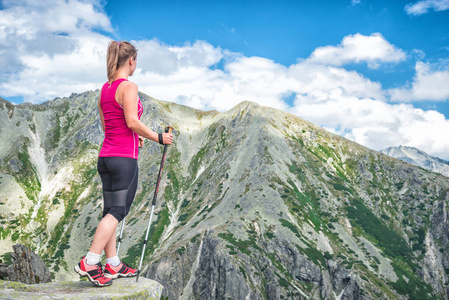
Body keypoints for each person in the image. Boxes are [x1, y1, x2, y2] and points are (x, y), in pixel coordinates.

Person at [74, 40, 173, 287]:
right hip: (123, 160)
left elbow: (110, 126)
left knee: (109, 211)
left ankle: (113, 263)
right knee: (118, 211)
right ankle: (90, 261)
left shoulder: (105, 89)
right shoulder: (129, 87)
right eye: (136, 61)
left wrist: (135, 136)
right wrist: (158, 137)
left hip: (105, 156)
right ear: (131, 61)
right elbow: (131, 121)